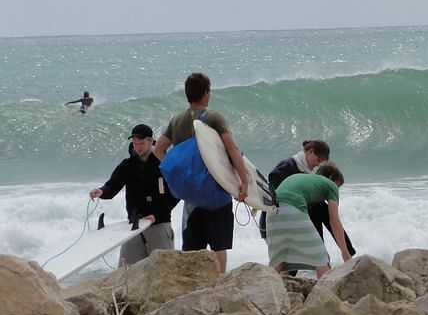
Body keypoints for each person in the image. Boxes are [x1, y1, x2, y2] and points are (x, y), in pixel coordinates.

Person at [154, 73, 248, 273]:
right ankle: (219, 282)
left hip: (191, 195)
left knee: (192, 247)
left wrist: (177, 172)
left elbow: (158, 150)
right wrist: (244, 181)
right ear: (206, 93)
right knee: (218, 245)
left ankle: (193, 284)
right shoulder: (213, 117)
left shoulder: (177, 120)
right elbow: (232, 149)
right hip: (216, 191)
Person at [89, 124, 179, 267]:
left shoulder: (164, 162)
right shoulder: (127, 165)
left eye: (141, 143)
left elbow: (176, 194)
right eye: (135, 144)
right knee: (126, 272)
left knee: (163, 271)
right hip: (133, 227)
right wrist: (101, 191)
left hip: (159, 224)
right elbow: (112, 185)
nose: (138, 147)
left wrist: (157, 214)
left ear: (151, 141)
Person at [258, 140, 356, 258]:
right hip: (275, 220)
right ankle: (335, 254)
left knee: (319, 207)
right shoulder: (290, 164)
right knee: (320, 208)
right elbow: (272, 180)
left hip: (292, 217)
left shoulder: (305, 173)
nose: (318, 165)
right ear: (310, 152)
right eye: (318, 160)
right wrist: (278, 205)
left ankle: (330, 253)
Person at [265, 163, 351, 278]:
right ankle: (324, 293)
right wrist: (345, 254)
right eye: (338, 186)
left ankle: (269, 290)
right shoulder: (331, 185)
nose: (337, 190)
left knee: (280, 259)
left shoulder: (301, 178)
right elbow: (334, 221)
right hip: (292, 210)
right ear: (331, 178)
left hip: (271, 212)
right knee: (321, 257)